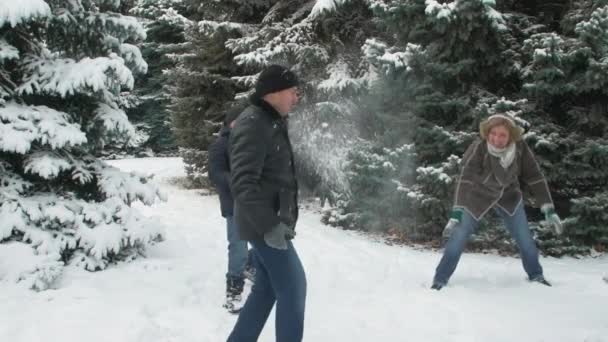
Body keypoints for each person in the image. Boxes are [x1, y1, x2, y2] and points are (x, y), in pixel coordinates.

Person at [431, 114, 563, 290]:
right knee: (458, 236)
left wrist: (548, 208)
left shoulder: (520, 148)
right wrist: (458, 210)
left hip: (509, 197)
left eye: (502, 135)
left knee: (525, 240)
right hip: (477, 197)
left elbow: (534, 176)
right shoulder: (479, 147)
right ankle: (440, 279)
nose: (496, 139)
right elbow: (466, 178)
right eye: (493, 133)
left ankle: (536, 275)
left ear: (511, 137)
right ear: (487, 132)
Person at [227, 65, 306, 342]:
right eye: (293, 92)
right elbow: (243, 183)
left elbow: (274, 172)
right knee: (294, 286)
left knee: (267, 290)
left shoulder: (270, 120)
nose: (297, 98)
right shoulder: (254, 123)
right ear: (273, 92)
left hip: (269, 223)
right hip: (264, 226)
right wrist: (271, 225)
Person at [208, 107, 252, 312]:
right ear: (230, 123)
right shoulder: (220, 145)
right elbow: (215, 174)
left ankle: (250, 267)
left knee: (262, 241)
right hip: (234, 204)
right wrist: (236, 181)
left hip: (255, 202)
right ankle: (233, 290)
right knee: (238, 246)